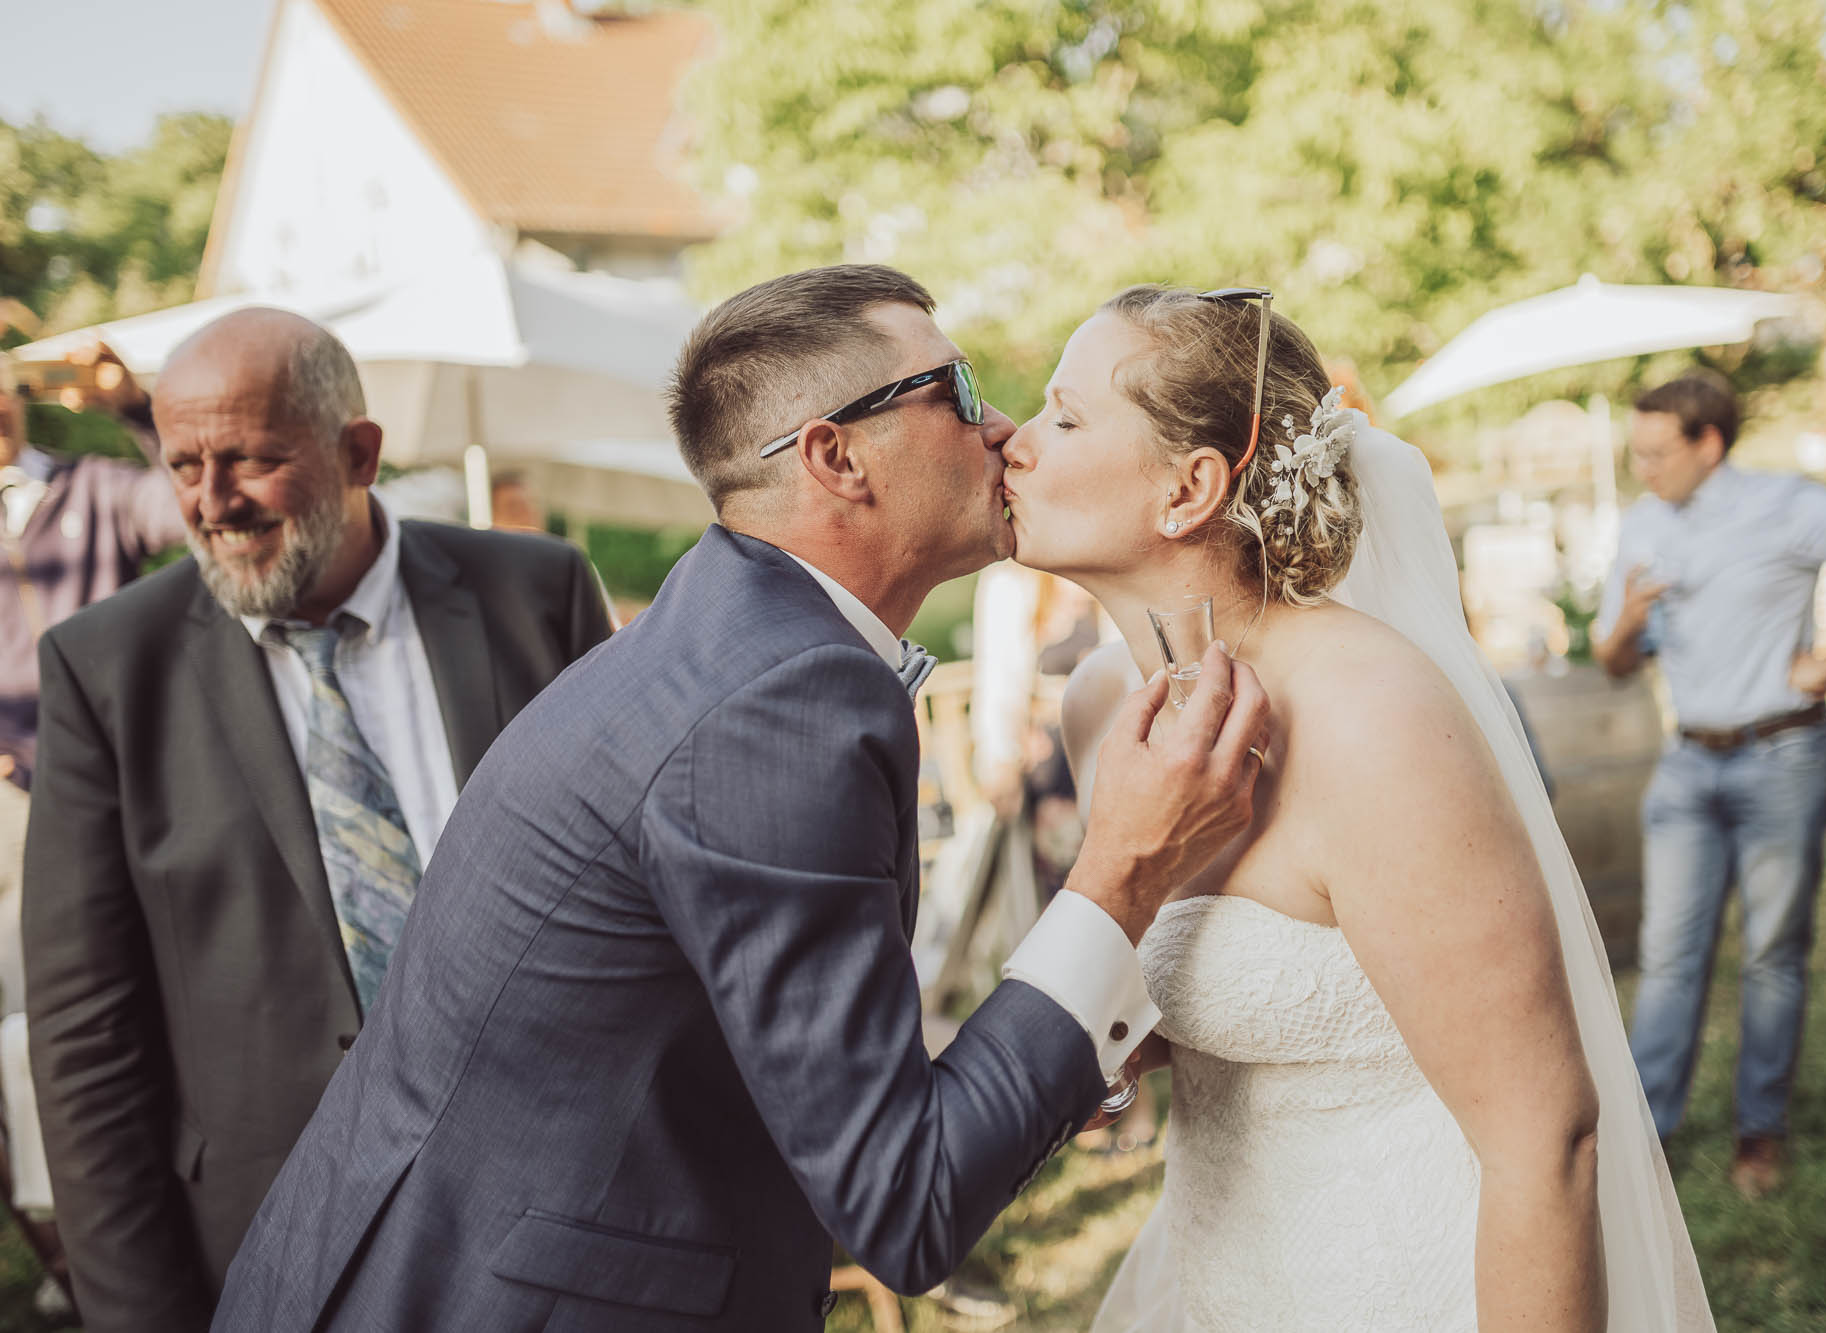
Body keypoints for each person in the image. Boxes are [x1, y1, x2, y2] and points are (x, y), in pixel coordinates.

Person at [214, 265, 1268, 1332]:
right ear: (833, 455)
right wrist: (1120, 872)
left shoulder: (729, 635)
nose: (1000, 429)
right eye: (954, 392)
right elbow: (904, 1202)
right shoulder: (782, 701)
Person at [1003, 285, 1713, 1330]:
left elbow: (1543, 1136)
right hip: (1218, 1281)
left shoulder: (1371, 715)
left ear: (1187, 487)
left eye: (1061, 418)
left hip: (1411, 1282)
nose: (1008, 443)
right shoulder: (1102, 704)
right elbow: (1168, 1010)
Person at [23, 308, 614, 1333]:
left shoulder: (537, 595)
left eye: (249, 460)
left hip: (564, 1220)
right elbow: (85, 1042)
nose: (211, 504)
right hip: (274, 1252)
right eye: (182, 465)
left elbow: (630, 905)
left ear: (360, 452)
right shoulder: (108, 670)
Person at [1592, 372, 1826, 1198]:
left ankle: (1760, 1134)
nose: (1643, 468)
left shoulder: (1788, 504)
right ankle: (1649, 1139)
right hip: (1687, 765)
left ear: (1709, 443)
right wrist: (1632, 617)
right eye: (1633, 452)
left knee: (1773, 954)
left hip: (1783, 757)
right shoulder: (1642, 521)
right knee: (1670, 955)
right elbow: (1610, 662)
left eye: (1657, 451)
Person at [0, 342, 185, 1314]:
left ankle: (84, 1248)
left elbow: (197, 510)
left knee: (59, 1015)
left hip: (93, 797)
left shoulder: (97, 491)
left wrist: (138, 407)